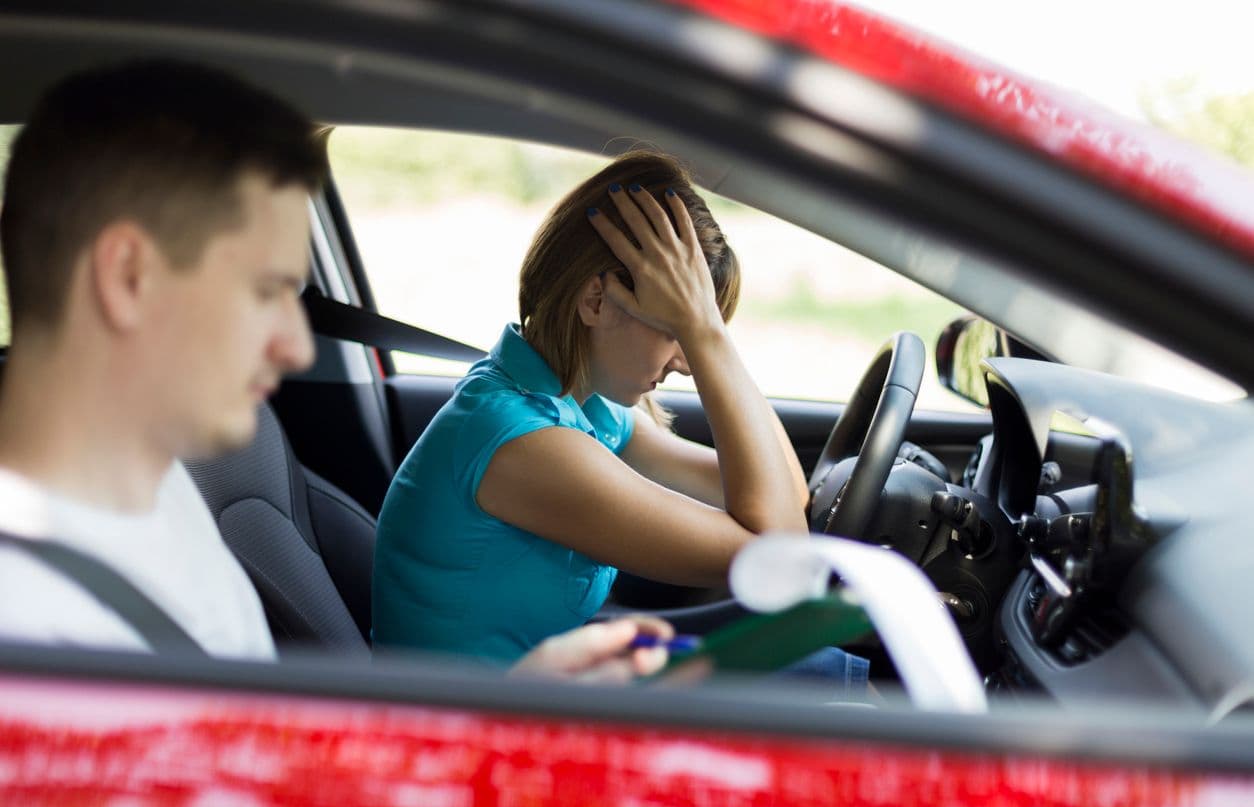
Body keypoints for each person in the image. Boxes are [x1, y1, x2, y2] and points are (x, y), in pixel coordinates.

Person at [0, 60, 670, 683]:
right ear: (128, 277)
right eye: (267, 292)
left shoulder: (159, 491)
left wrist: (519, 707)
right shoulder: (33, 627)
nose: (296, 348)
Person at [373, 152, 849, 676]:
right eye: (676, 331)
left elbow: (787, 492)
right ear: (596, 301)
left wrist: (706, 325)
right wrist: (707, 338)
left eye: (695, 331)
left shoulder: (582, 405)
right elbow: (781, 551)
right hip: (484, 734)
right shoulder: (523, 441)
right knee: (831, 679)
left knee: (822, 668)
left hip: (546, 691)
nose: (687, 364)